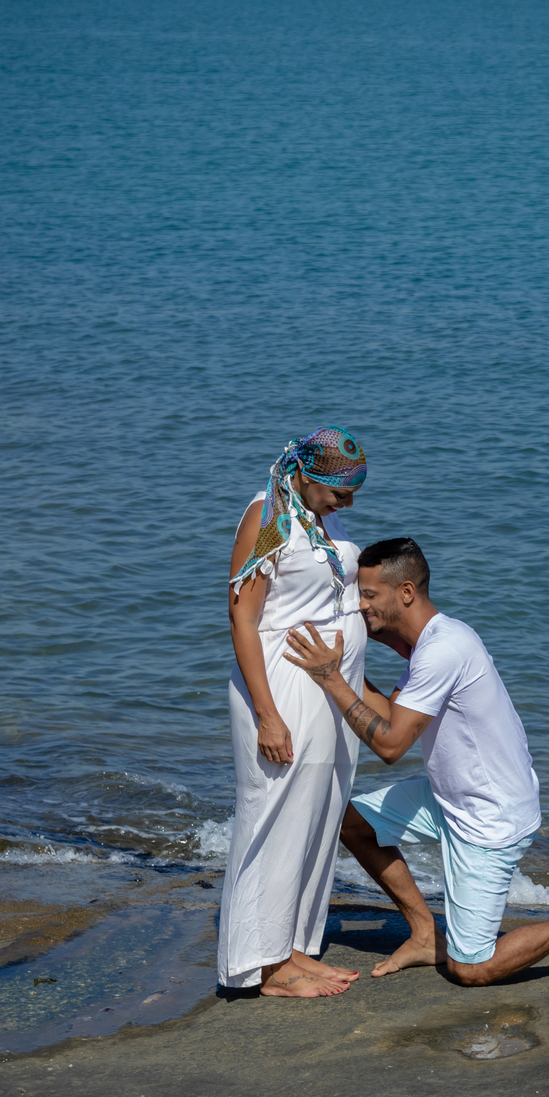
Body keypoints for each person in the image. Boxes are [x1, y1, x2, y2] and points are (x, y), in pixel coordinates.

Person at [283, 537, 549, 986]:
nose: (360, 606)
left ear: (405, 592)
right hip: (450, 797)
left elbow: (390, 745)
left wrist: (330, 678)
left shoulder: (443, 651)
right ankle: (426, 933)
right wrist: (342, 666)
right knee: (349, 822)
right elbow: (391, 716)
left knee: (471, 968)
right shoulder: (430, 643)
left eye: (369, 595)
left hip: (490, 816)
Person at [217, 427, 369, 998]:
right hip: (282, 686)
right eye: (339, 492)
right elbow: (242, 618)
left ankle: (293, 947)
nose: (348, 503)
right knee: (273, 817)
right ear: (305, 474)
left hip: (329, 685)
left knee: (319, 815)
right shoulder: (268, 516)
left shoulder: (318, 515)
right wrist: (266, 713)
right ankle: (261, 966)